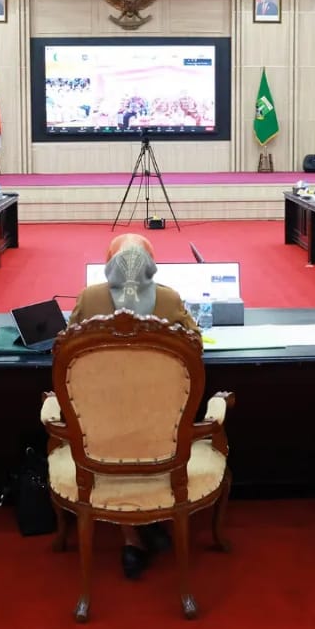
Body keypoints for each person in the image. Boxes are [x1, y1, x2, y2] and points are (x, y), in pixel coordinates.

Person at [68, 237, 197, 579]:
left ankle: (131, 536)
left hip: (98, 427)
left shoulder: (89, 298)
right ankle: (149, 520)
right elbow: (194, 345)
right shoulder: (168, 299)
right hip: (162, 426)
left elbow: (67, 348)